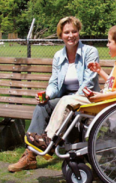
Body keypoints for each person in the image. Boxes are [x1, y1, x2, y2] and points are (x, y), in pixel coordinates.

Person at [20, 24, 116, 157]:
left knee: (67, 100)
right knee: (62, 101)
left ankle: (48, 139)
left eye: (109, 42)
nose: (107, 45)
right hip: (104, 99)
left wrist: (101, 97)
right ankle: (47, 142)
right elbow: (113, 83)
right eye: (66, 32)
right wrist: (100, 72)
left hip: (106, 103)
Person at [8, 16, 100, 172]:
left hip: (85, 97)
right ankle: (30, 155)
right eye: (66, 32)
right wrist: (48, 94)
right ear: (61, 35)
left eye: (74, 31)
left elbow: (89, 82)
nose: (71, 35)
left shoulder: (90, 52)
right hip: (65, 98)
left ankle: (49, 143)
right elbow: (54, 83)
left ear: (79, 32)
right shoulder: (58, 56)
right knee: (42, 106)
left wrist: (71, 100)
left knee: (67, 105)